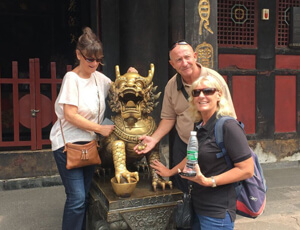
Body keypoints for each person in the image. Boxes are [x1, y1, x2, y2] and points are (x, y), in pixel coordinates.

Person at [151, 75, 254, 229]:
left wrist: (209, 181)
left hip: (217, 211)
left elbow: (246, 170)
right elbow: (193, 155)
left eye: (207, 91)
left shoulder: (229, 126)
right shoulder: (199, 125)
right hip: (197, 205)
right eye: (196, 92)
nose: (201, 96)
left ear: (218, 95)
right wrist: (170, 171)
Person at [134, 40, 236, 193]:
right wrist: (154, 139)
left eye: (187, 57)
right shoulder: (171, 85)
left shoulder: (213, 80)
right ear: (172, 64)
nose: (185, 63)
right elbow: (169, 118)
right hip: (184, 144)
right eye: (179, 60)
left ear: (195, 56)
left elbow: (228, 116)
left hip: (210, 146)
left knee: (208, 189)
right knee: (181, 189)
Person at [49, 27, 114, 230]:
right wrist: (99, 128)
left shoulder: (99, 79)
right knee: (76, 198)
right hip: (68, 144)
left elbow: (120, 86)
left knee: (84, 197)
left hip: (89, 143)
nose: (94, 64)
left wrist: (131, 74)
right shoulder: (72, 79)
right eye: (89, 59)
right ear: (78, 55)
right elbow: (70, 114)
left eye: (98, 59)